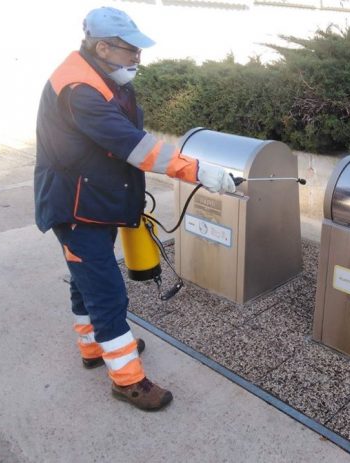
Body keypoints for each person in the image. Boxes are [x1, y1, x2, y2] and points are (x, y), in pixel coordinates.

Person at [34, 6, 235, 411]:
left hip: (95, 198)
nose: (138, 58)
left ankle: (93, 348)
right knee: (107, 291)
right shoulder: (81, 89)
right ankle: (127, 379)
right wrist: (200, 171)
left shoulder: (104, 74)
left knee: (85, 279)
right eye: (131, 51)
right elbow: (136, 147)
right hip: (75, 207)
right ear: (103, 46)